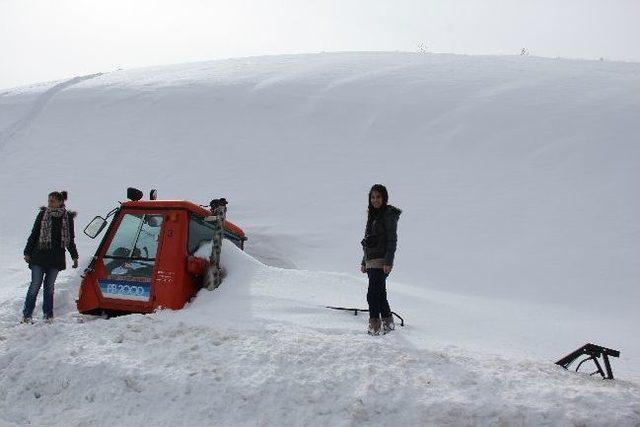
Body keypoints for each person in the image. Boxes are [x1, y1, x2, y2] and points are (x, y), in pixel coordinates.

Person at [22, 191, 79, 323]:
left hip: (55, 259)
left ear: (60, 202)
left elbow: (70, 240)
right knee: (35, 285)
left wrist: (74, 256)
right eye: (49, 201)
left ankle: (48, 316)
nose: (50, 204)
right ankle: (27, 315)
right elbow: (34, 234)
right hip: (39, 256)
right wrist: (27, 252)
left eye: (52, 201)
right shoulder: (43, 214)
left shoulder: (67, 218)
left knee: (49, 287)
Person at [360, 184, 402, 335]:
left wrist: (388, 261)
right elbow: (368, 240)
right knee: (380, 293)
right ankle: (388, 323)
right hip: (371, 260)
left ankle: (374, 326)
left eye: (378, 197)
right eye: (372, 197)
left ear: (384, 198)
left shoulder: (388, 215)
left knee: (372, 294)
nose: (375, 200)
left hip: (381, 261)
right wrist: (364, 261)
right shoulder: (372, 215)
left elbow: (392, 240)